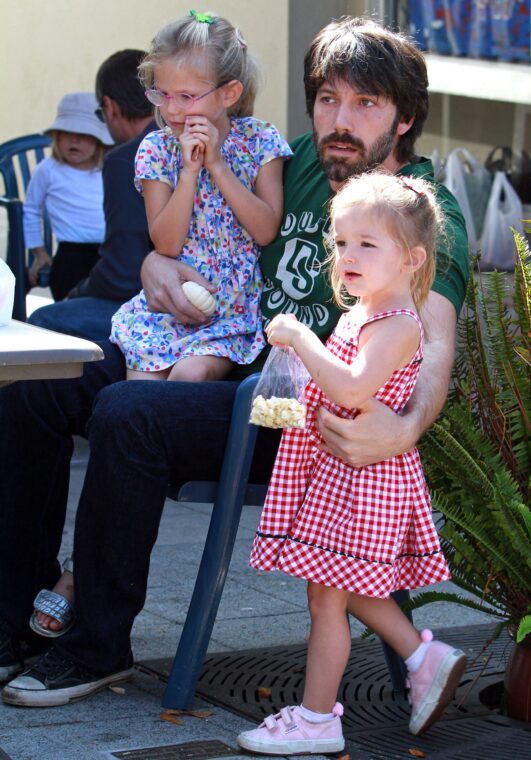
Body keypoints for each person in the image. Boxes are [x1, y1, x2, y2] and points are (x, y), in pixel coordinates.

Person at [0, 16, 468, 707]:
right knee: (35, 385)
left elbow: (436, 338)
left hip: (302, 419)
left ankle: (95, 644)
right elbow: (196, 227)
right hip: (224, 347)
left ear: (403, 119)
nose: (340, 120)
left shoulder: (422, 210)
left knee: (131, 411)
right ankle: (15, 623)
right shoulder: (294, 158)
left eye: (365, 104)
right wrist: (160, 264)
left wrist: (404, 426)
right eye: (327, 98)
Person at [236, 172, 466, 756]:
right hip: (341, 476)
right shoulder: (363, 312)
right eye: (341, 243)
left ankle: (317, 719)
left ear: (412, 259)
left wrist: (298, 339)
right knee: (342, 586)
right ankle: (423, 655)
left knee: (326, 598)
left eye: (368, 244)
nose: (348, 256)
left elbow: (355, 388)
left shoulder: (397, 326)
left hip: (363, 482)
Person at [26, 49, 156, 638]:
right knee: (40, 365)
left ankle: (64, 583)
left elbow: (126, 273)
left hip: (189, 327)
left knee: (46, 344)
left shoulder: (134, 157)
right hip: (160, 308)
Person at [110, 12, 291, 382]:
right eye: (163, 95)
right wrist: (189, 173)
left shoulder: (260, 141)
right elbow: (166, 243)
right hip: (166, 308)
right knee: (138, 398)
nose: (173, 110)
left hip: (229, 308)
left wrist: (217, 166)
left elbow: (265, 229)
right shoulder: (157, 150)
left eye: (187, 97)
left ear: (230, 93)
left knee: (190, 376)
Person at [27, 50, 155, 341]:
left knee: (44, 320)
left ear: (109, 107)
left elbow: (123, 273)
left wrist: (76, 295)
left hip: (157, 305)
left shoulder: (127, 158)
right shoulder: (194, 138)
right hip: (212, 297)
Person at [24, 92, 114, 300]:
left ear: (98, 140)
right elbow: (31, 210)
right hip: (70, 253)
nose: (74, 140)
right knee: (69, 298)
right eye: (66, 133)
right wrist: (39, 254)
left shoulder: (108, 169)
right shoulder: (48, 170)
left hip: (108, 250)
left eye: (84, 135)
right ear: (56, 137)